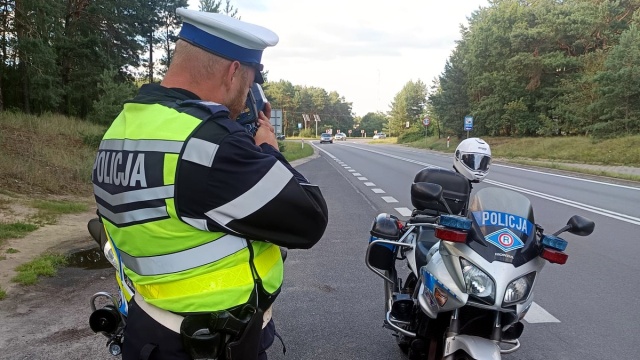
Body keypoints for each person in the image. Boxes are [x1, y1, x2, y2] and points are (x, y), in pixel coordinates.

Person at [91, 8, 329, 360]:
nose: (247, 92)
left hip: (148, 331)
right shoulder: (210, 145)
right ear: (233, 72)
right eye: (249, 82)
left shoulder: (123, 128)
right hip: (209, 344)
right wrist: (267, 150)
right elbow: (310, 218)